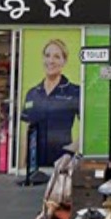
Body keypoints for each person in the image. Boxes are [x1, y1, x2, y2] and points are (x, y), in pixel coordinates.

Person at [21, 39, 81, 168]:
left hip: (62, 164)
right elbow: (27, 131)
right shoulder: (32, 93)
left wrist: (71, 150)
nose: (51, 61)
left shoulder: (75, 92)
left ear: (64, 61)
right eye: (47, 55)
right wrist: (22, 165)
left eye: (57, 57)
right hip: (36, 165)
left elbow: (89, 129)